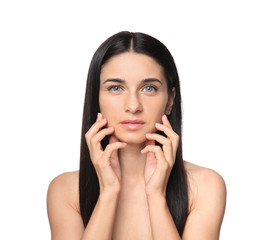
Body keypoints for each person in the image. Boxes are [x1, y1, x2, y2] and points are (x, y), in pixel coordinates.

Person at [47, 31, 226, 240]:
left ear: (170, 100)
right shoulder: (66, 191)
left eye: (149, 88)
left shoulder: (204, 186)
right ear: (96, 98)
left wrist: (156, 196)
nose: (133, 106)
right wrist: (108, 193)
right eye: (115, 88)